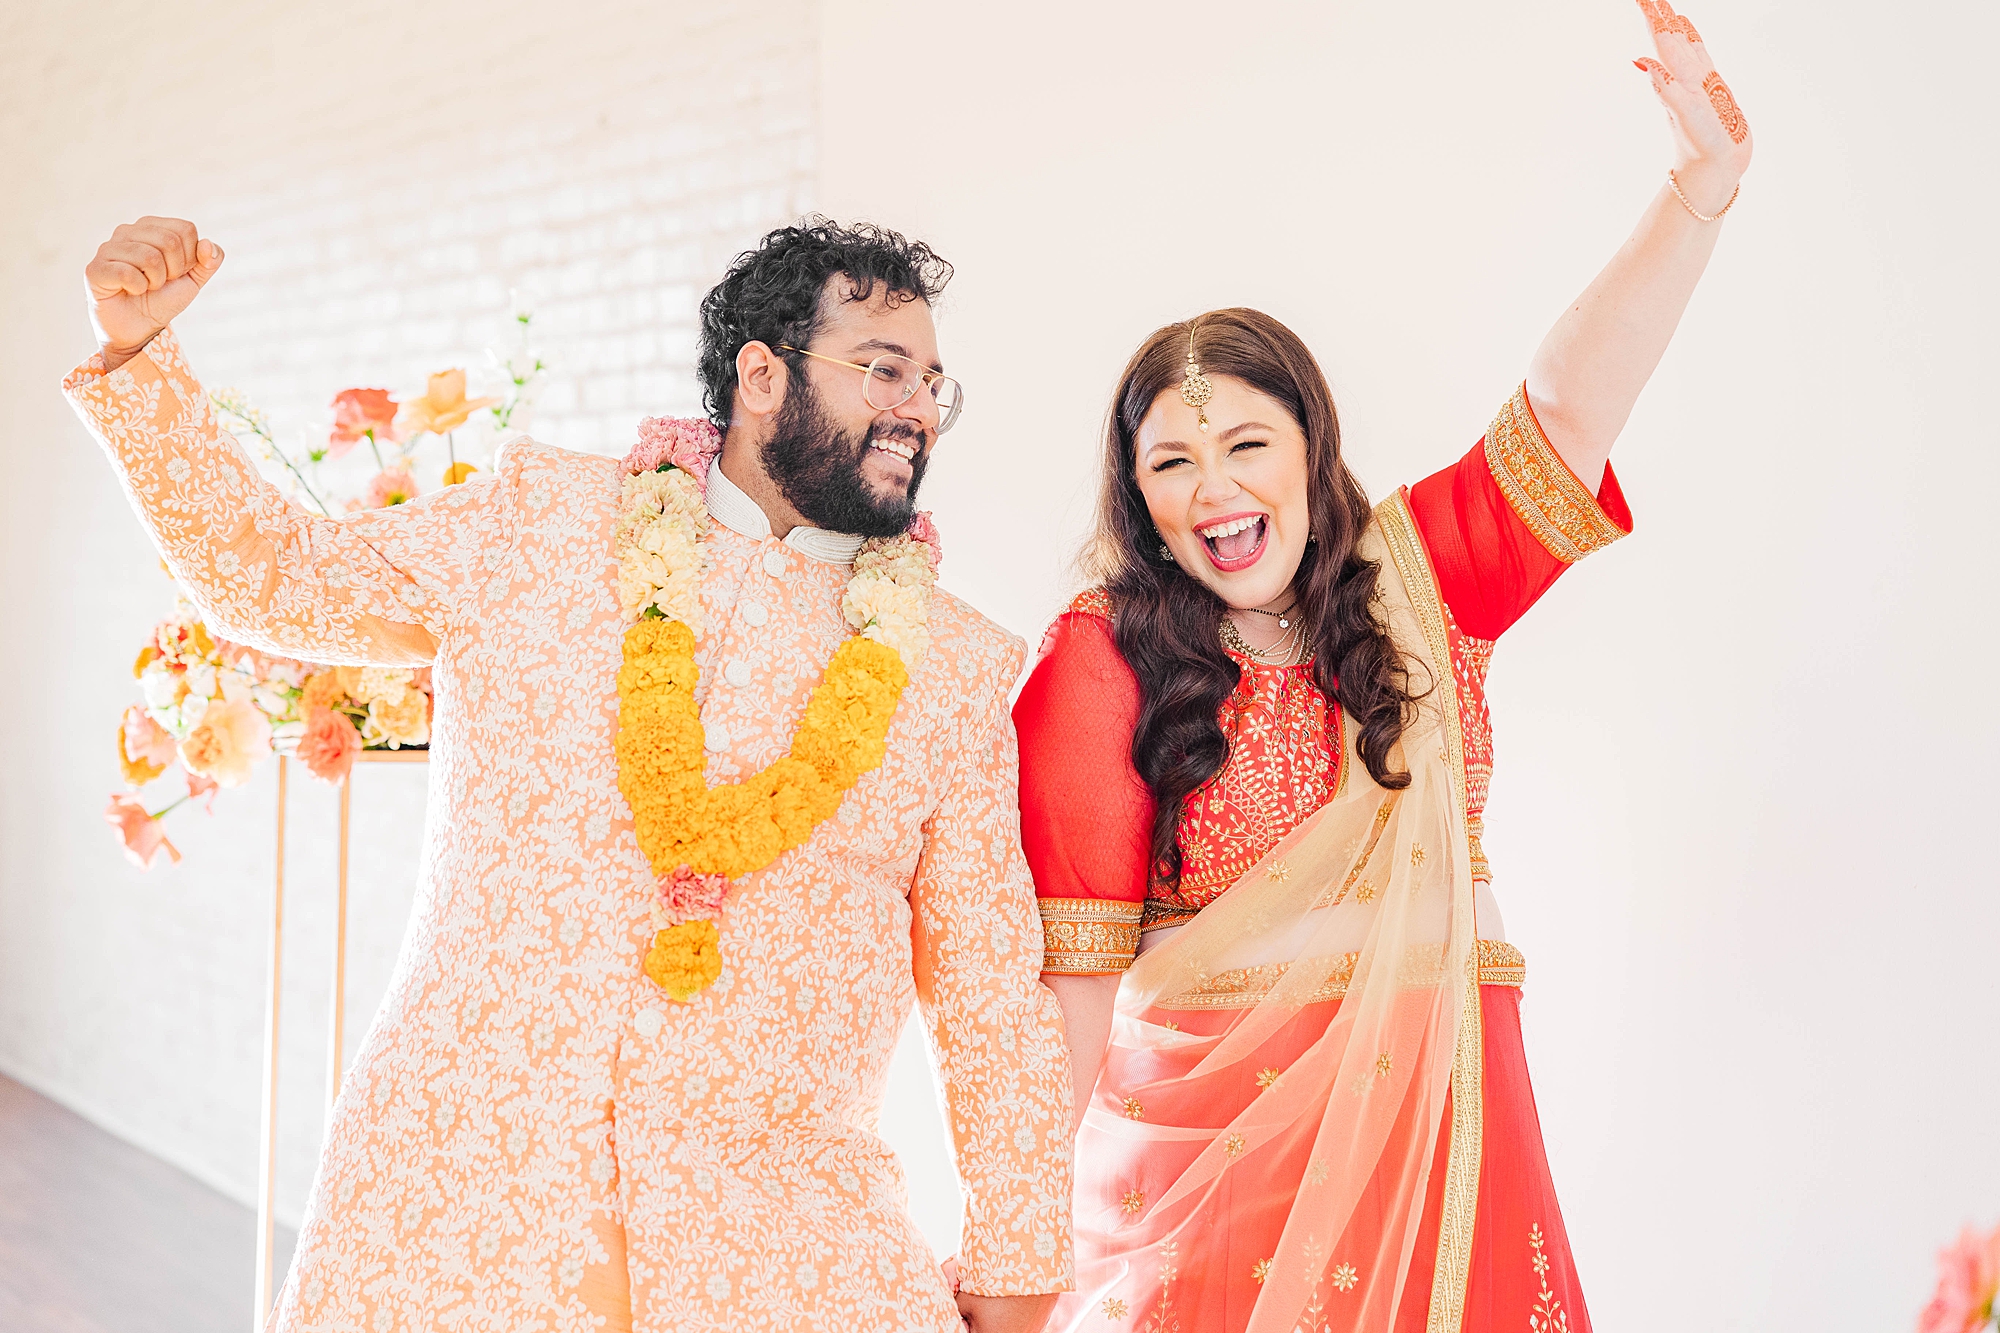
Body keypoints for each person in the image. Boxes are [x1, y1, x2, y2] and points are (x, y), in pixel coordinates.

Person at [66, 218, 1072, 1332]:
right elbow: (270, 577)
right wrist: (137, 357)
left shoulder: (955, 668)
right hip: (463, 1193)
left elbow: (988, 997)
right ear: (757, 374)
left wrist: (1014, 1266)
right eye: (884, 368)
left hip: (783, 1242)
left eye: (935, 382)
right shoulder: (537, 522)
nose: (920, 408)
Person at [1014, 4, 1750, 1330]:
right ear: (1138, 495)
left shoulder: (1421, 580)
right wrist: (1025, 1257)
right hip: (1214, 1189)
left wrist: (1696, 196)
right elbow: (1069, 992)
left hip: (1453, 1149)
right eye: (1171, 462)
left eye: (1247, 443)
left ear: (1310, 446)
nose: (1215, 489)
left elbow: (1569, 407)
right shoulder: (1104, 659)